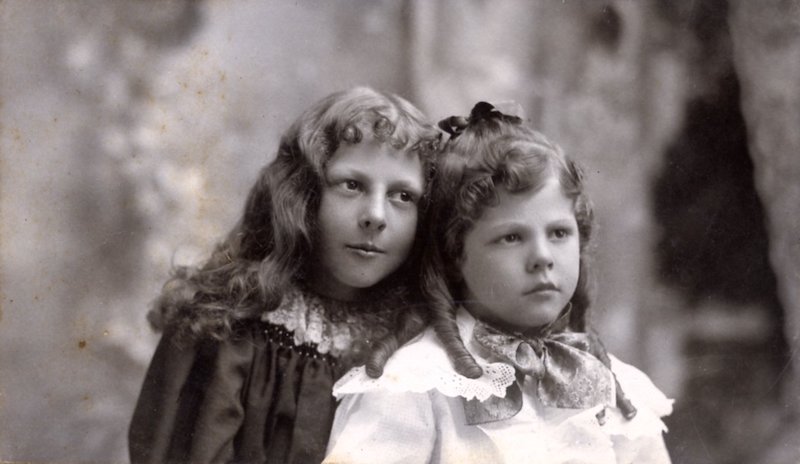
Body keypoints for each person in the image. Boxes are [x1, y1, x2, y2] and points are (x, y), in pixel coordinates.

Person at [325, 102, 673, 463]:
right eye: (511, 237)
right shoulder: (416, 387)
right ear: (456, 255)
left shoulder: (610, 386)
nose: (543, 257)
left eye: (558, 233)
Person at [128, 87, 440, 464]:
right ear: (303, 193)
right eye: (352, 185)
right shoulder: (229, 324)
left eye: (403, 196)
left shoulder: (417, 340)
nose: (375, 215)